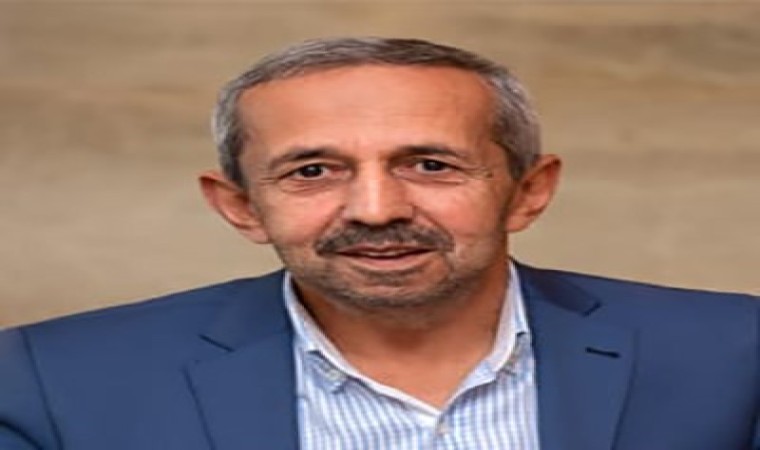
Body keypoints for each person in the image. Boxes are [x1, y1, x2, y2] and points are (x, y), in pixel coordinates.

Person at [0, 37, 757, 450]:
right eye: (313, 171)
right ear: (241, 206)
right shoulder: (49, 384)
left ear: (529, 190)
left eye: (430, 165)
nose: (375, 209)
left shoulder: (739, 356)